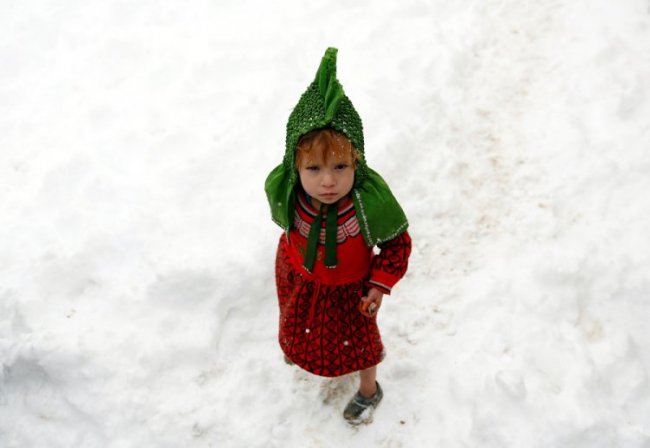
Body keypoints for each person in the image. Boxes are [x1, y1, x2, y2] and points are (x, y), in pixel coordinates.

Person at [264, 47, 411, 425]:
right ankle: (299, 348)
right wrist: (292, 268)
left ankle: (368, 390)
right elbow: (287, 233)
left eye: (340, 166)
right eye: (313, 168)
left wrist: (378, 285)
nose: (327, 181)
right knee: (297, 322)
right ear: (295, 166)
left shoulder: (366, 205)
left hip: (351, 293)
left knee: (359, 345)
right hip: (303, 280)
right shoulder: (291, 195)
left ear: (357, 161)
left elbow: (397, 243)